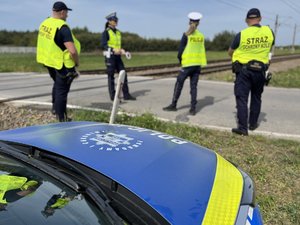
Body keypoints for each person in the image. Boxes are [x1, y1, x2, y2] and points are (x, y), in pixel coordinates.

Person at [228, 8, 275, 135]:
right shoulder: (269, 32)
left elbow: (230, 51)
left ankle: (243, 128)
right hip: (260, 71)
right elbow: (269, 48)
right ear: (260, 19)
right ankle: (253, 124)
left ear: (247, 20)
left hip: (244, 71)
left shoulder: (241, 34)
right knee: (256, 97)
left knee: (242, 98)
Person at [36, 1, 80, 122]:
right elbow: (72, 51)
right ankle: (61, 120)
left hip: (49, 62)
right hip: (61, 64)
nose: (67, 15)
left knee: (57, 85)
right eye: (66, 13)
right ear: (62, 12)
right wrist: (76, 63)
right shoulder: (63, 27)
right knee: (62, 91)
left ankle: (55, 109)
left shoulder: (45, 23)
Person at [163, 12, 207, 115]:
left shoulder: (186, 35)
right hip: (197, 65)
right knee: (194, 87)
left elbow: (180, 52)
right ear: (199, 23)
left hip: (187, 65)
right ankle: (193, 109)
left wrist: (181, 61)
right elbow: (202, 51)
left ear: (189, 21)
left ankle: (173, 105)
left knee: (179, 83)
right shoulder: (201, 36)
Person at [101, 12, 136, 101]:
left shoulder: (118, 32)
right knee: (111, 76)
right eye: (114, 20)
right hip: (110, 57)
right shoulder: (106, 32)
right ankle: (113, 97)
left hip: (118, 57)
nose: (116, 21)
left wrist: (123, 51)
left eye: (116, 20)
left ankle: (126, 95)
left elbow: (118, 45)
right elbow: (104, 45)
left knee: (123, 74)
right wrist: (113, 50)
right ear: (109, 21)